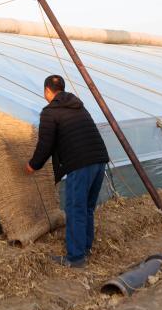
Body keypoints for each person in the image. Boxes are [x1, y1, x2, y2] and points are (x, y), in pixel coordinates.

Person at [25, 74, 109, 268]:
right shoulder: (78, 106)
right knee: (86, 208)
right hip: (99, 159)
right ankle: (85, 247)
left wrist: (33, 165)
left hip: (80, 164)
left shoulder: (50, 112)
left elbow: (45, 144)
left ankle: (76, 257)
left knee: (75, 209)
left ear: (47, 91)